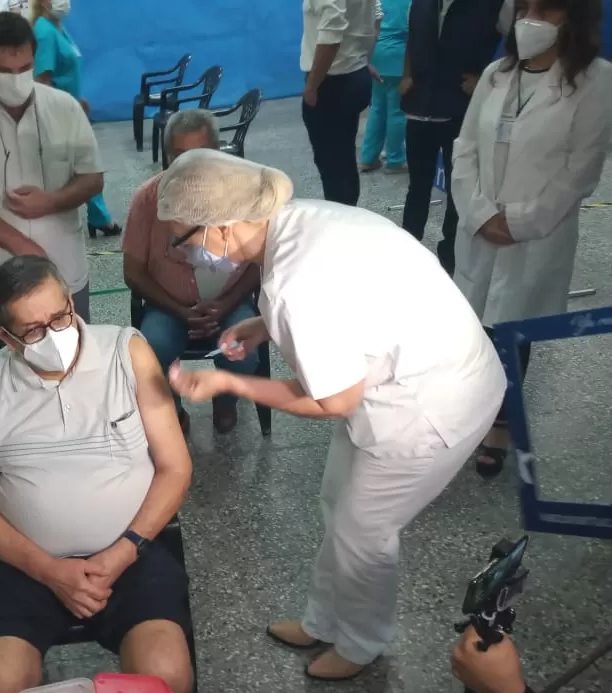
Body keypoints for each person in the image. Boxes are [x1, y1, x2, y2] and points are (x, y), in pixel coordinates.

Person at [161, 150, 506, 681]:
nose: (186, 256)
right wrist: (262, 324)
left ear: (224, 228)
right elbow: (347, 306)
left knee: (363, 531)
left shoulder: (295, 286)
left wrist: (231, 382)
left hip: (430, 405)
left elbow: (333, 401)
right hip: (420, 367)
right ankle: (323, 619)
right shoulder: (302, 219)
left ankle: (364, 642)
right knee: (335, 504)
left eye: (185, 241)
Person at [0, 255, 194, 693]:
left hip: (129, 553)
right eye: (34, 331)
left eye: (60, 316)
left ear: (70, 300)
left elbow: (175, 467)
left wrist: (121, 553)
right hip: (26, 564)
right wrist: (48, 570)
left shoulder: (127, 351)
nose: (56, 334)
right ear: (6, 338)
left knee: (166, 673)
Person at [452, 0, 611, 478]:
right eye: (524, 6)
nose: (531, 18)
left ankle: (500, 424)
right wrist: (480, 213)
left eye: (547, 8)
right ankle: (467, 416)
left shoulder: (597, 80)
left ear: (574, 18)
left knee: (513, 330)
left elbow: (580, 170)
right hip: (479, 227)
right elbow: (464, 150)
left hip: (538, 233)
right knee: (476, 326)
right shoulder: (495, 76)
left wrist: (519, 222)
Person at [0, 13, 106, 352]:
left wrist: (52, 201)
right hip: (1, 271)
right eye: (5, 71)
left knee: (75, 356)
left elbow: (93, 178)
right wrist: (19, 243)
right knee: (12, 368)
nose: (17, 79)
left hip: (64, 265)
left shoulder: (64, 108)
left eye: (24, 68)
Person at [122, 110, 260, 435]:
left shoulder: (243, 194)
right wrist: (180, 309)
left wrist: (225, 305)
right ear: (167, 158)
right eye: (180, 157)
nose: (189, 166)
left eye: (199, 155)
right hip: (168, 305)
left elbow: (259, 263)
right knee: (151, 351)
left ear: (218, 151)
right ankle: (174, 410)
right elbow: (133, 272)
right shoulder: (147, 198)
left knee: (243, 350)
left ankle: (225, 401)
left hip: (229, 301)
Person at [400, 0, 508, 275]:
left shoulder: (490, 5)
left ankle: (451, 255)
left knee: (457, 185)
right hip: (419, 106)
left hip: (459, 107)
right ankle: (407, 246)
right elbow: (414, 39)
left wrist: (485, 79)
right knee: (417, 186)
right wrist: (407, 75)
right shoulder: (422, 3)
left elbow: (517, 43)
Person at [31, 0, 121, 238]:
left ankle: (98, 216)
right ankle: (97, 218)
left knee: (83, 162)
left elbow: (65, 72)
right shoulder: (44, 33)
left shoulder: (58, 28)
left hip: (71, 108)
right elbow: (42, 81)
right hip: (58, 112)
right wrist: (59, 110)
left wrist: (77, 101)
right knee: (82, 164)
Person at [300, 0, 378, 206]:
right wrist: (362, 59)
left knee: (331, 163)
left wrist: (312, 86)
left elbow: (330, 38)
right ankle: (348, 214)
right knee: (344, 157)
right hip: (352, 73)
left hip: (331, 82)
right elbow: (376, 17)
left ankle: (340, 218)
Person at [359, 0, 410, 173]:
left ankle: (368, 158)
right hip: (399, 57)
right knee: (397, 111)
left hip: (376, 56)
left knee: (377, 108)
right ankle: (395, 160)